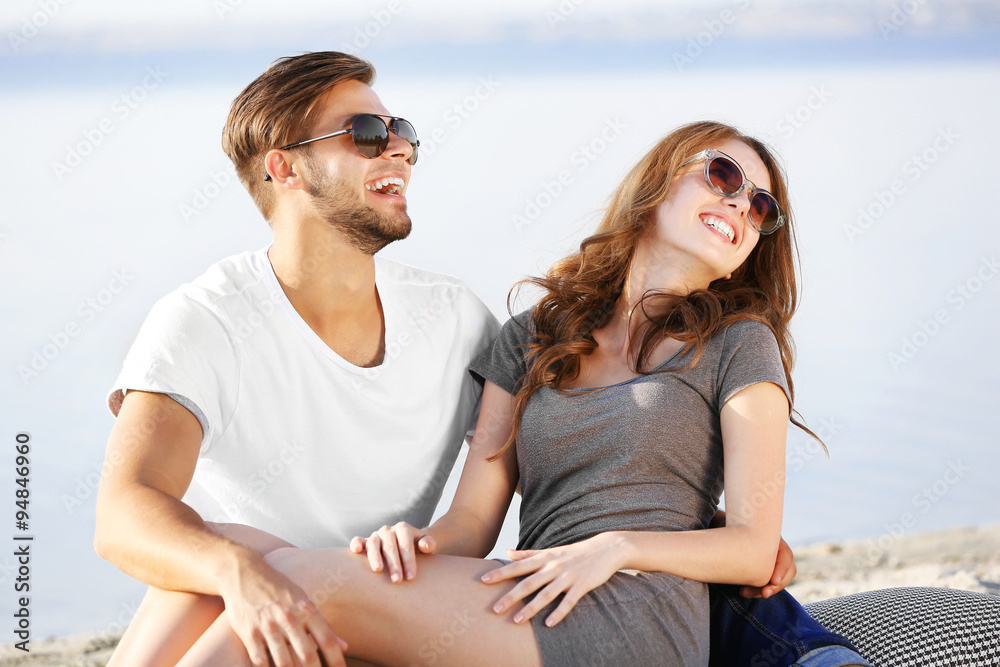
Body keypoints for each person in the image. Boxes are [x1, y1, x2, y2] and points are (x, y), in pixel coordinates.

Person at [163, 120, 871, 666]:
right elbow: (472, 522)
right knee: (230, 551)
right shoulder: (532, 334)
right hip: (531, 590)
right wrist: (414, 542)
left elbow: (752, 548)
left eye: (762, 207)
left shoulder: (741, 345)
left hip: (639, 617)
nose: (740, 205)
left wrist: (615, 547)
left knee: (298, 583)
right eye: (723, 175)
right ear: (658, 184)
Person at [94, 51, 500, 667]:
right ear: (284, 167)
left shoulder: (454, 318)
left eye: (402, 132)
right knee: (223, 566)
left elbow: (516, 474)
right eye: (367, 133)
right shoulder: (205, 319)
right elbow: (123, 516)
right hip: (239, 614)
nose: (399, 149)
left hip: (388, 611)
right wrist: (240, 572)